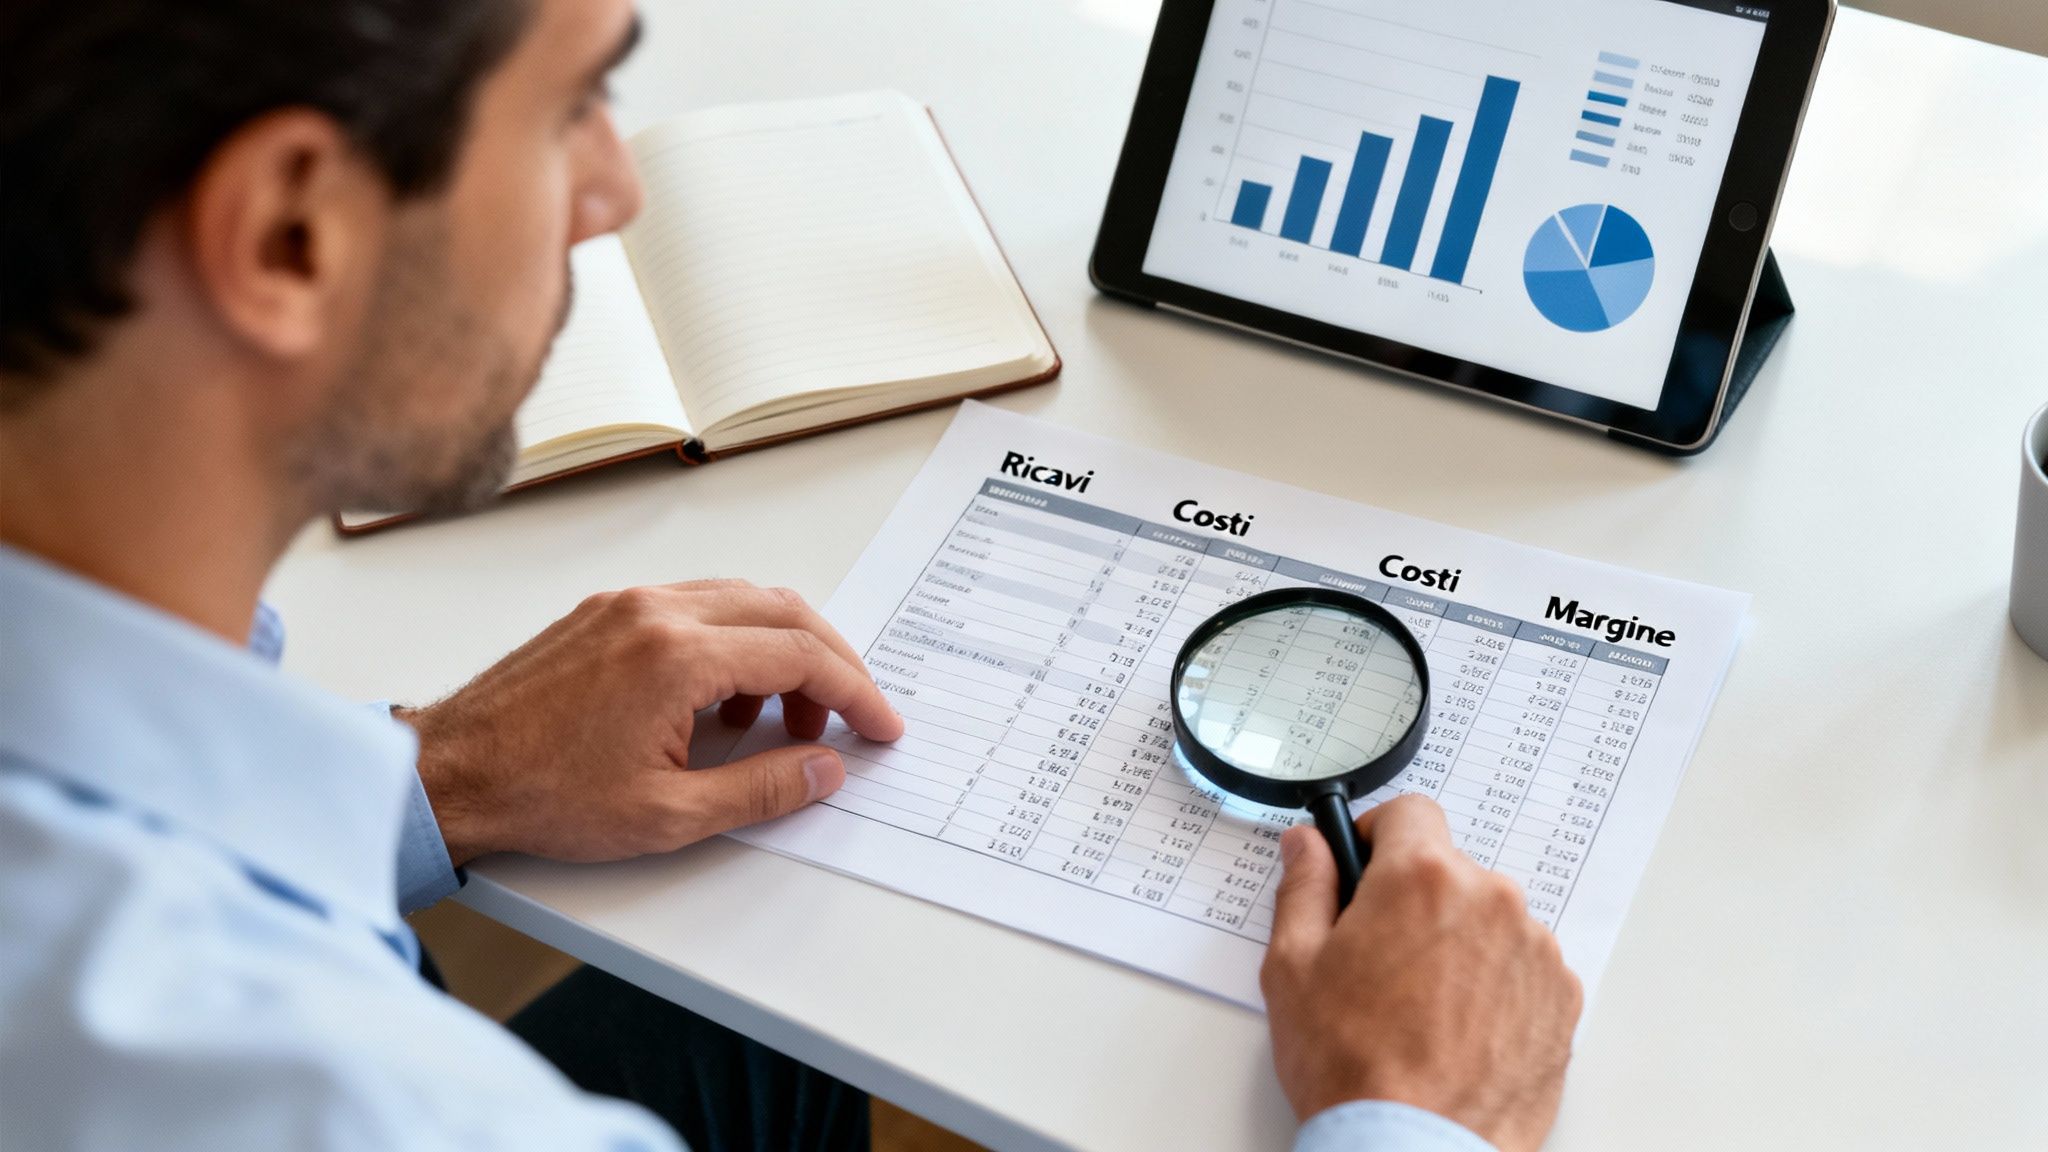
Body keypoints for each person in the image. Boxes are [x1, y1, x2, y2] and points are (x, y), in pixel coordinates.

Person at [0, 2, 1583, 1149]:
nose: (616, 190)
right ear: (288, 237)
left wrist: (430, 778)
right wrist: (1416, 1122)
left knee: (769, 1028)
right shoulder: (350, 1102)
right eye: (569, 107)